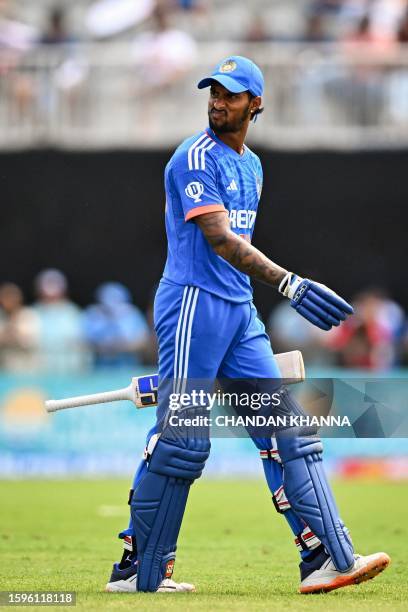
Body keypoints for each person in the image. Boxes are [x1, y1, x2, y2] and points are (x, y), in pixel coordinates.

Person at [106, 56, 390, 594]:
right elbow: (220, 238)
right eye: (213, 91)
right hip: (193, 305)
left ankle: (329, 557)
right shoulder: (193, 157)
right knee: (185, 439)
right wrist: (290, 283)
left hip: (238, 316)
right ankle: (138, 571)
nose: (218, 101)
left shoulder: (253, 166)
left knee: (291, 432)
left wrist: (269, 292)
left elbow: (239, 248)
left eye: (231, 94)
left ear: (255, 103)